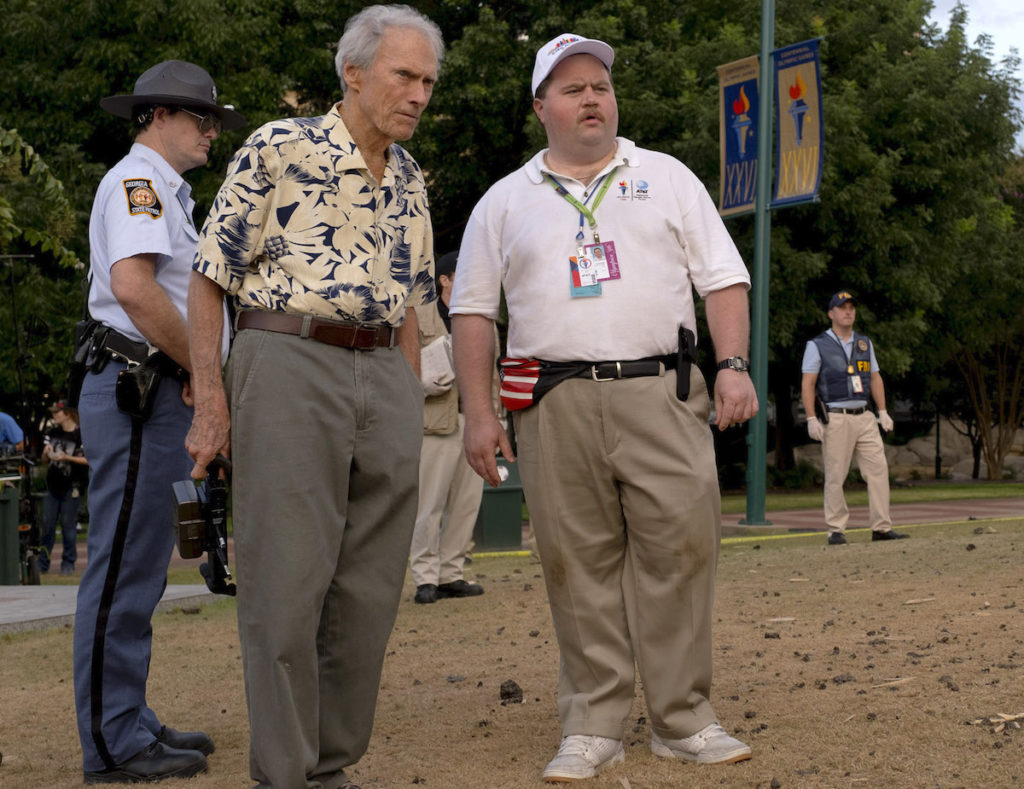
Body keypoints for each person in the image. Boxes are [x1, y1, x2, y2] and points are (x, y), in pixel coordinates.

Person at [451, 33, 759, 783]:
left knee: (683, 550)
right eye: (572, 88)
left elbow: (722, 279)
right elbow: (471, 314)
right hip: (551, 401)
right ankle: (593, 722)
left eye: (601, 86)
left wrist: (735, 367)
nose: (592, 98)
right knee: (574, 560)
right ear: (540, 107)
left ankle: (683, 719)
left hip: (662, 389)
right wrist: (479, 413)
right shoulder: (504, 200)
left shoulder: (668, 177)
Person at [185, 6, 442, 787]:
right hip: (287, 359)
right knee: (286, 588)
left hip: (383, 374)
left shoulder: (410, 179)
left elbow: (408, 305)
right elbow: (209, 275)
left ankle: (330, 767)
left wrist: (405, 390)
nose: (419, 94)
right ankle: (285, 773)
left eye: (429, 81)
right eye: (405, 75)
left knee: (368, 596)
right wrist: (210, 399)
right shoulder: (279, 145)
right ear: (354, 73)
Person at [73, 59, 244, 783]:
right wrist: (206, 380)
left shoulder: (162, 192)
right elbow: (136, 289)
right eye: (199, 117)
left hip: (145, 389)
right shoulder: (140, 185)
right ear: (155, 118)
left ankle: (127, 716)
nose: (211, 131)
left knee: (137, 567)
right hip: (137, 390)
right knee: (120, 570)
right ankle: (113, 741)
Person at [411, 251, 489, 605]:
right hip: (435, 421)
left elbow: (493, 369)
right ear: (445, 279)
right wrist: (423, 383)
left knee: (467, 503)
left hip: (474, 420)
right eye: (464, 274)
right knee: (429, 504)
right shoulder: (420, 313)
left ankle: (451, 574)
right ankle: (425, 577)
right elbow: (403, 364)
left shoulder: (476, 313)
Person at [801, 290, 908, 545]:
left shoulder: (864, 343)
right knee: (836, 474)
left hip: (865, 415)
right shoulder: (817, 345)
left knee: (878, 470)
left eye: (851, 308)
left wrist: (882, 411)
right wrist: (811, 418)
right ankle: (836, 529)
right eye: (842, 308)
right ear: (831, 314)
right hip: (837, 417)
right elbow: (808, 384)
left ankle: (881, 527)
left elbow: (875, 377)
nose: (848, 312)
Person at [38, 401, 88, 574]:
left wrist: (66, 457)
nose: (54, 415)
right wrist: (46, 453)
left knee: (68, 526)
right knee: (47, 525)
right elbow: (44, 460)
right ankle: (42, 563)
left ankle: (68, 564)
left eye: (57, 412)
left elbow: (87, 460)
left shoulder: (81, 434)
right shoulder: (52, 433)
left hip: (72, 486)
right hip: (52, 486)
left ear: (66, 413)